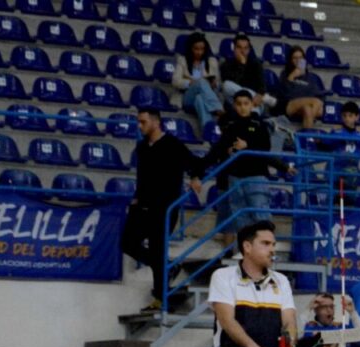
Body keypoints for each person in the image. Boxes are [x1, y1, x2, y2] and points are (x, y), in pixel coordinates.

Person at [120, 108, 203, 312]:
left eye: (143, 122)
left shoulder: (173, 145)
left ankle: (159, 299)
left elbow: (195, 163)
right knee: (127, 243)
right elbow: (142, 176)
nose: (140, 126)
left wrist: (194, 177)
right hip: (142, 206)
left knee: (157, 248)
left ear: (156, 122)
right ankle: (168, 266)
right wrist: (137, 198)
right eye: (138, 122)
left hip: (164, 207)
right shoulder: (141, 147)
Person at [208, 219, 298, 347]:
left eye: (273, 244)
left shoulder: (281, 281)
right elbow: (227, 321)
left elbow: (289, 321)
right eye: (265, 244)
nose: (273, 249)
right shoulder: (223, 276)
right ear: (247, 247)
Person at [202, 90, 294, 240]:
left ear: (252, 105)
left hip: (256, 177)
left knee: (261, 216)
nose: (242, 107)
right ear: (234, 105)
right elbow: (218, 151)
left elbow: (265, 151)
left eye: (246, 103)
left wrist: (248, 145)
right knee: (241, 220)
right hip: (235, 179)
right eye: (239, 104)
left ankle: (268, 251)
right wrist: (198, 169)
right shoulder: (230, 127)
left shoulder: (260, 125)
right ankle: (245, 253)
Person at [172, 32, 223, 132]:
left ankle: (207, 130)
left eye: (202, 49)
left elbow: (219, 83)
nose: (199, 52)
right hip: (187, 96)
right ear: (190, 48)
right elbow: (175, 81)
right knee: (201, 82)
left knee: (199, 99)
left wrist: (214, 84)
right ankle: (217, 108)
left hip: (205, 97)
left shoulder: (211, 61)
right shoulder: (183, 60)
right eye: (196, 49)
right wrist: (191, 83)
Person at [219, 33, 275, 113]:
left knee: (251, 110)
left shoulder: (256, 64)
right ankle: (264, 99)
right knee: (226, 85)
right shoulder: (226, 65)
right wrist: (241, 65)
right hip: (235, 102)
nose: (242, 51)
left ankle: (255, 107)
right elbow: (231, 86)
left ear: (249, 50)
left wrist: (259, 95)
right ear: (234, 49)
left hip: (254, 102)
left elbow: (261, 86)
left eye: (245, 48)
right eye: (239, 48)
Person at [274, 45, 324, 131]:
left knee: (307, 109)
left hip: (303, 105)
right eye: (295, 58)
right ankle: (312, 119)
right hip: (287, 105)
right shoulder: (285, 74)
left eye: (301, 58)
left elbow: (315, 93)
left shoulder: (310, 77)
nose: (298, 61)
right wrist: (292, 76)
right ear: (290, 60)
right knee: (317, 102)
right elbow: (285, 94)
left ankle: (306, 137)